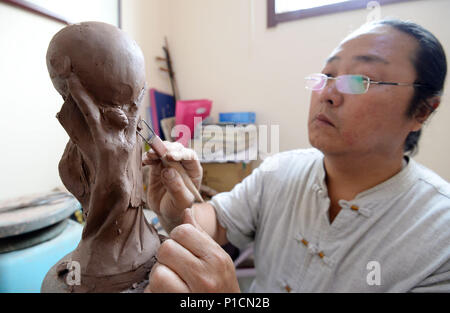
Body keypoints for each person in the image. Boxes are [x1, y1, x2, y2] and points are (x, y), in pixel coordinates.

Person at [143, 19, 450, 292]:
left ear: (422, 110)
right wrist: (178, 205)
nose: (328, 93)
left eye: (361, 80)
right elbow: (216, 222)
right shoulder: (280, 170)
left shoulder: (440, 237)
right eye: (327, 74)